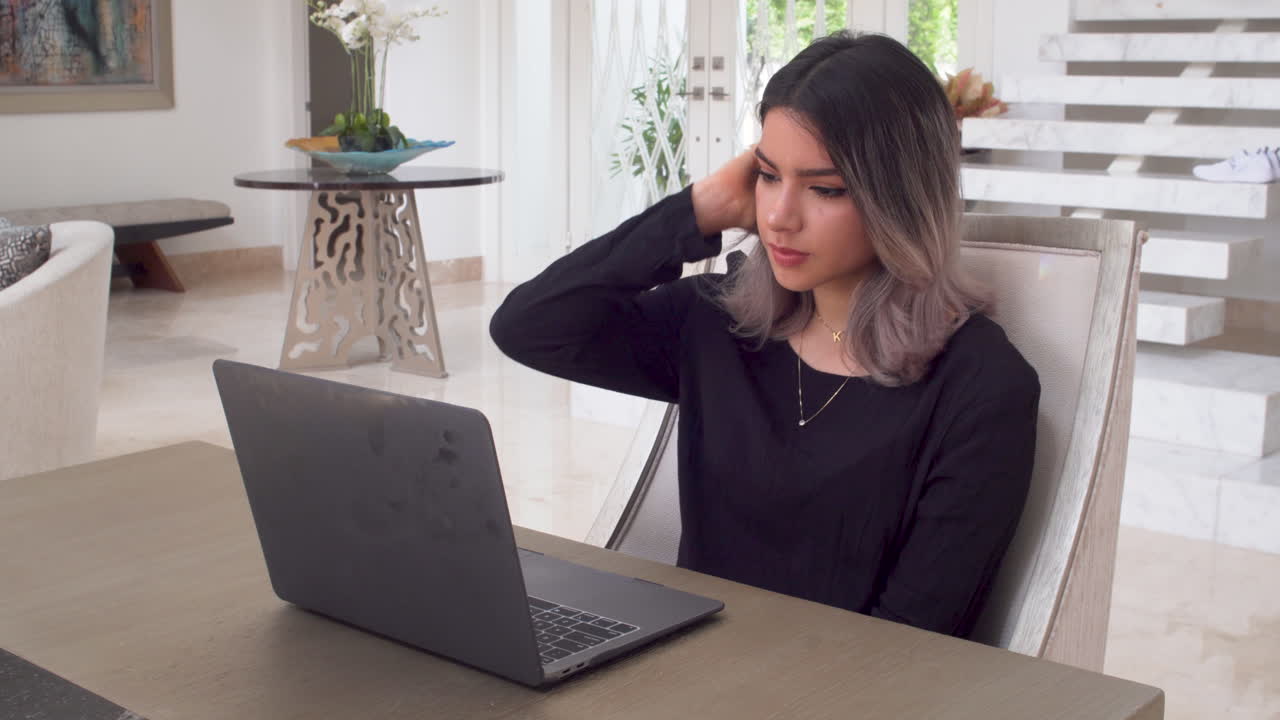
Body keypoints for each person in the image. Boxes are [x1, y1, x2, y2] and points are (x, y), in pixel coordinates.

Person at [489, 31, 1039, 639]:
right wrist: (695, 210)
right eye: (768, 176)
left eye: (824, 188)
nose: (779, 215)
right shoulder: (719, 323)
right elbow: (528, 326)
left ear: (902, 200)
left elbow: (912, 639)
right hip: (680, 675)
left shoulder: (983, 388)